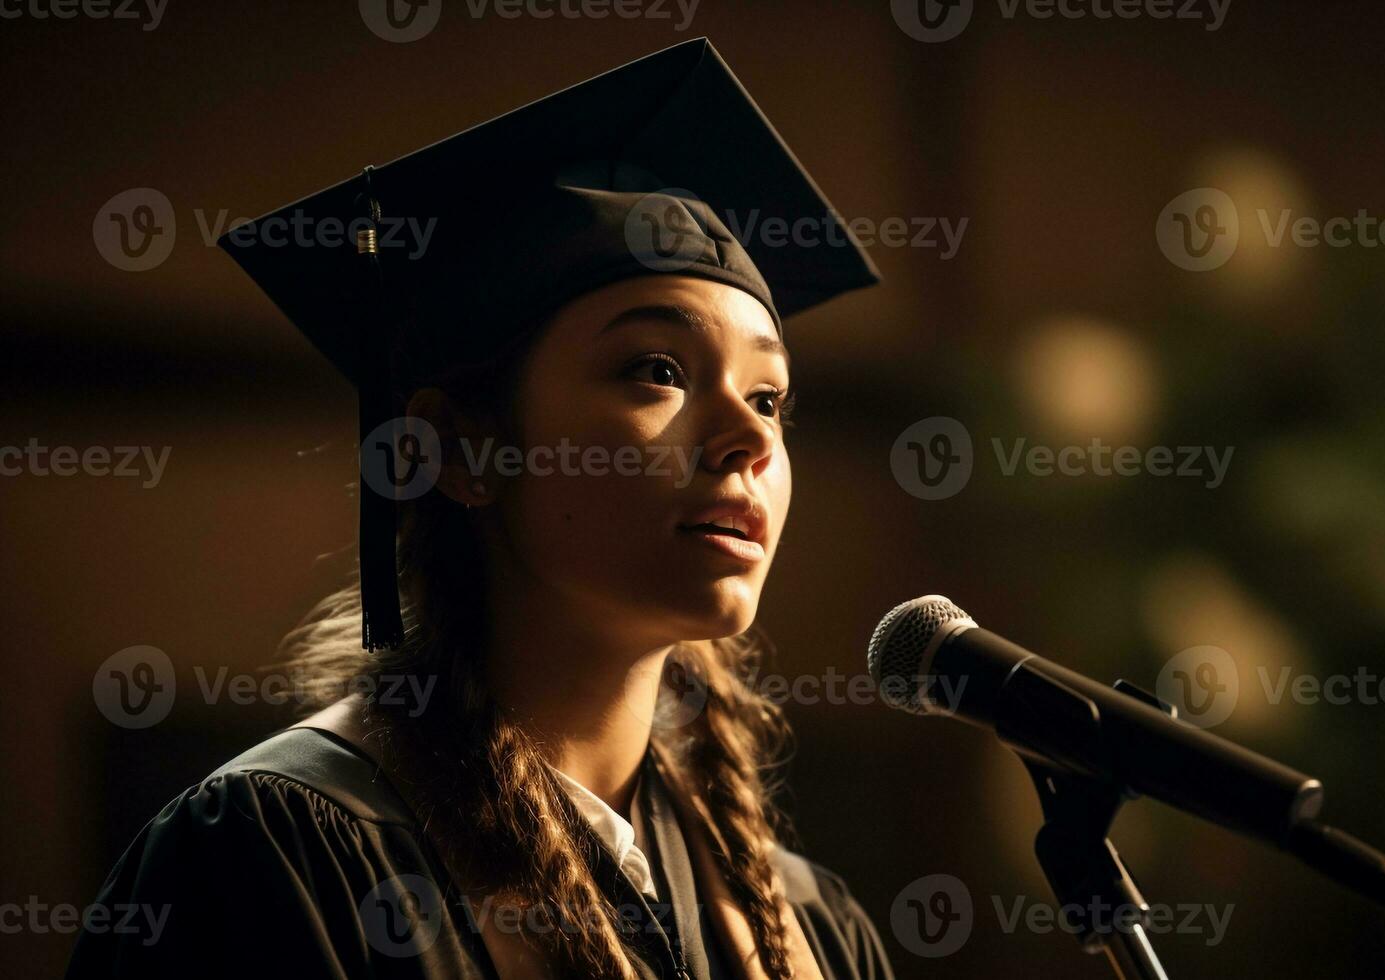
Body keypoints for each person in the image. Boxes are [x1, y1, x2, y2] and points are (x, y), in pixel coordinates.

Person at [66, 38, 893, 980]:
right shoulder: (281, 856)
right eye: (656, 371)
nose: (748, 440)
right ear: (453, 452)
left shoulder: (807, 929)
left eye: (768, 398)